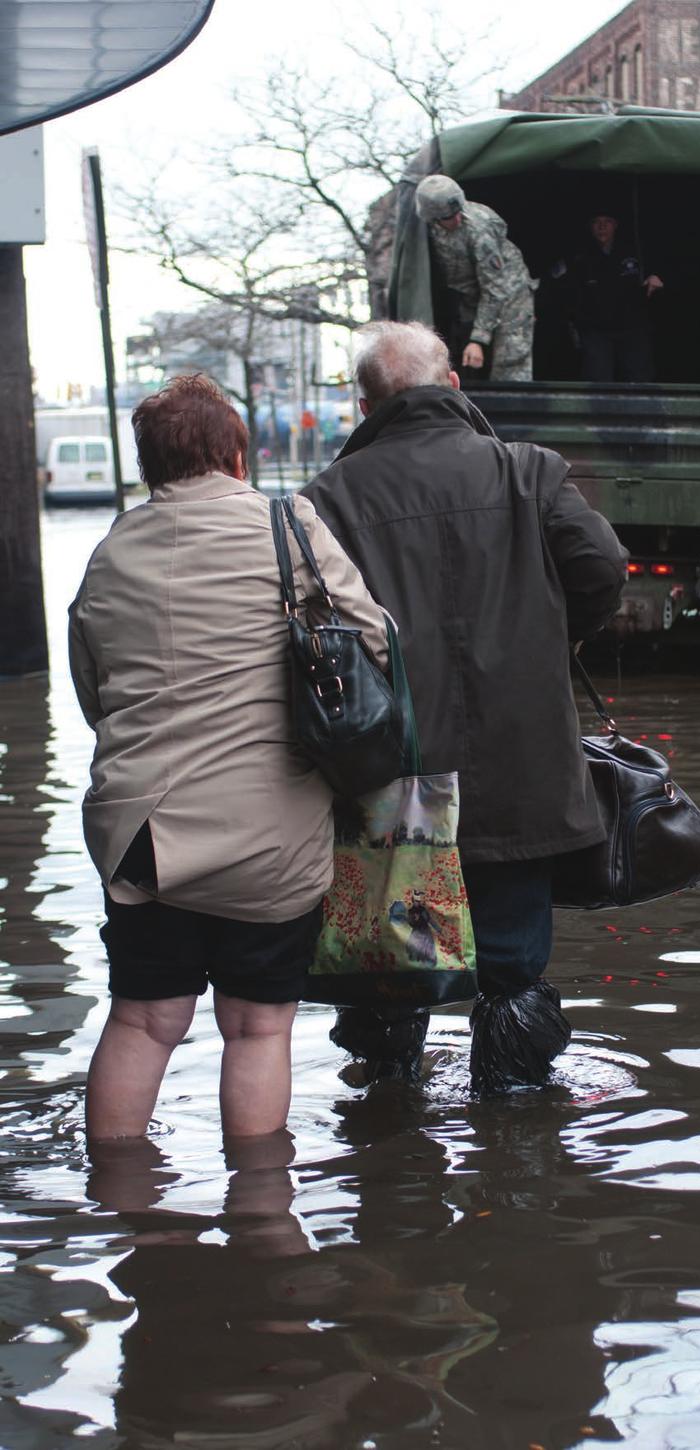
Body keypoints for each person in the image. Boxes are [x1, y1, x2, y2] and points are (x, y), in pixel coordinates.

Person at [302, 321, 627, 1094]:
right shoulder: (528, 473)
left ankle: (388, 1151)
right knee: (514, 969)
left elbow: (314, 636)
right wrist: (551, 646)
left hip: (392, 772)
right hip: (521, 763)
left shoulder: (327, 499)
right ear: (452, 385)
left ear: (364, 403)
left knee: (387, 969)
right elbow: (603, 570)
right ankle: (515, 1168)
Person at [69, 374, 388, 1141]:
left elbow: (95, 695)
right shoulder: (288, 525)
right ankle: (259, 1214)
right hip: (269, 837)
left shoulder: (111, 551)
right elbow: (372, 641)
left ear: (148, 464)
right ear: (235, 452)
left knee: (144, 1021)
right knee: (256, 1028)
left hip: (142, 834)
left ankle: (124, 1207)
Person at [415, 174, 537, 382]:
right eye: (448, 217)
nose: (457, 219)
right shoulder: (427, 227)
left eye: (458, 212)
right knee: (464, 362)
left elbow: (495, 289)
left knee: (510, 363)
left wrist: (478, 339)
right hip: (471, 298)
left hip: (509, 296)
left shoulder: (479, 230)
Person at [567, 211, 663, 383]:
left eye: (607, 221)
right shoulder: (578, 257)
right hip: (596, 331)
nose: (602, 226)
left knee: (640, 381)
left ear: (616, 225)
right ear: (590, 227)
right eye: (596, 222)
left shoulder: (636, 250)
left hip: (633, 328)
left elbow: (660, 272)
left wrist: (656, 275)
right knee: (597, 382)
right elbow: (560, 290)